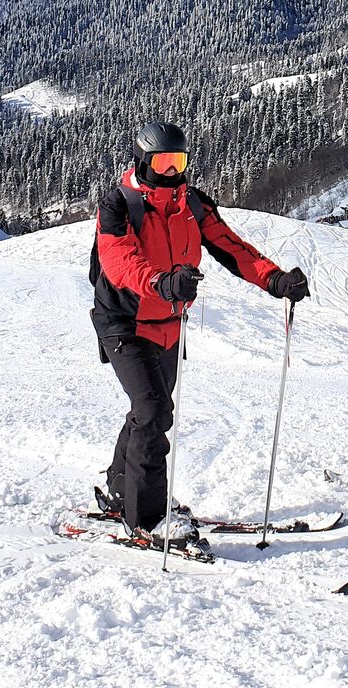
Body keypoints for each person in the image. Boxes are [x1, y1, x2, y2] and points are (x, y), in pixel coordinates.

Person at [90, 120, 309, 544]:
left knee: (148, 410)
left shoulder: (192, 204)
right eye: (163, 163)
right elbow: (119, 262)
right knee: (154, 413)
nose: (172, 171)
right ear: (142, 161)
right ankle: (147, 519)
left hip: (170, 323)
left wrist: (275, 280)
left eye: (180, 162)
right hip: (125, 321)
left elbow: (231, 247)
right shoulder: (117, 205)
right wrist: (162, 282)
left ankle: (123, 489)